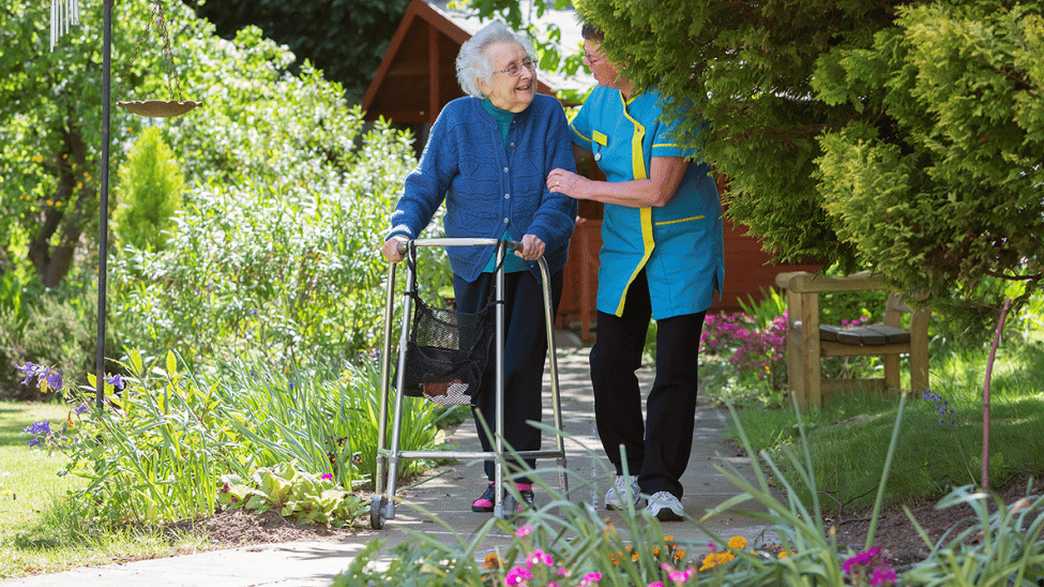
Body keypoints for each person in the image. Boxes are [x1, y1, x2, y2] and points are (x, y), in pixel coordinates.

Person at [382, 21, 576, 513]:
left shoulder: (549, 115)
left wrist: (541, 232)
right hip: (474, 264)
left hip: (533, 266)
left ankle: (521, 479)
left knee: (520, 369)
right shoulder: (456, 120)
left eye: (527, 63)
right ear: (482, 81)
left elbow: (562, 191)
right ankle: (497, 476)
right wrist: (403, 229)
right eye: (511, 68)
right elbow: (425, 184)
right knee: (480, 372)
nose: (525, 74)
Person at [545, 23, 724, 521]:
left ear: (626, 56)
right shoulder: (599, 101)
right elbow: (559, 138)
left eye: (595, 56)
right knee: (608, 361)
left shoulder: (678, 102)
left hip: (681, 245)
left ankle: (663, 485)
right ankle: (630, 471)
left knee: (674, 367)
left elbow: (658, 191)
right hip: (626, 248)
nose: (589, 63)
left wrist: (584, 188)